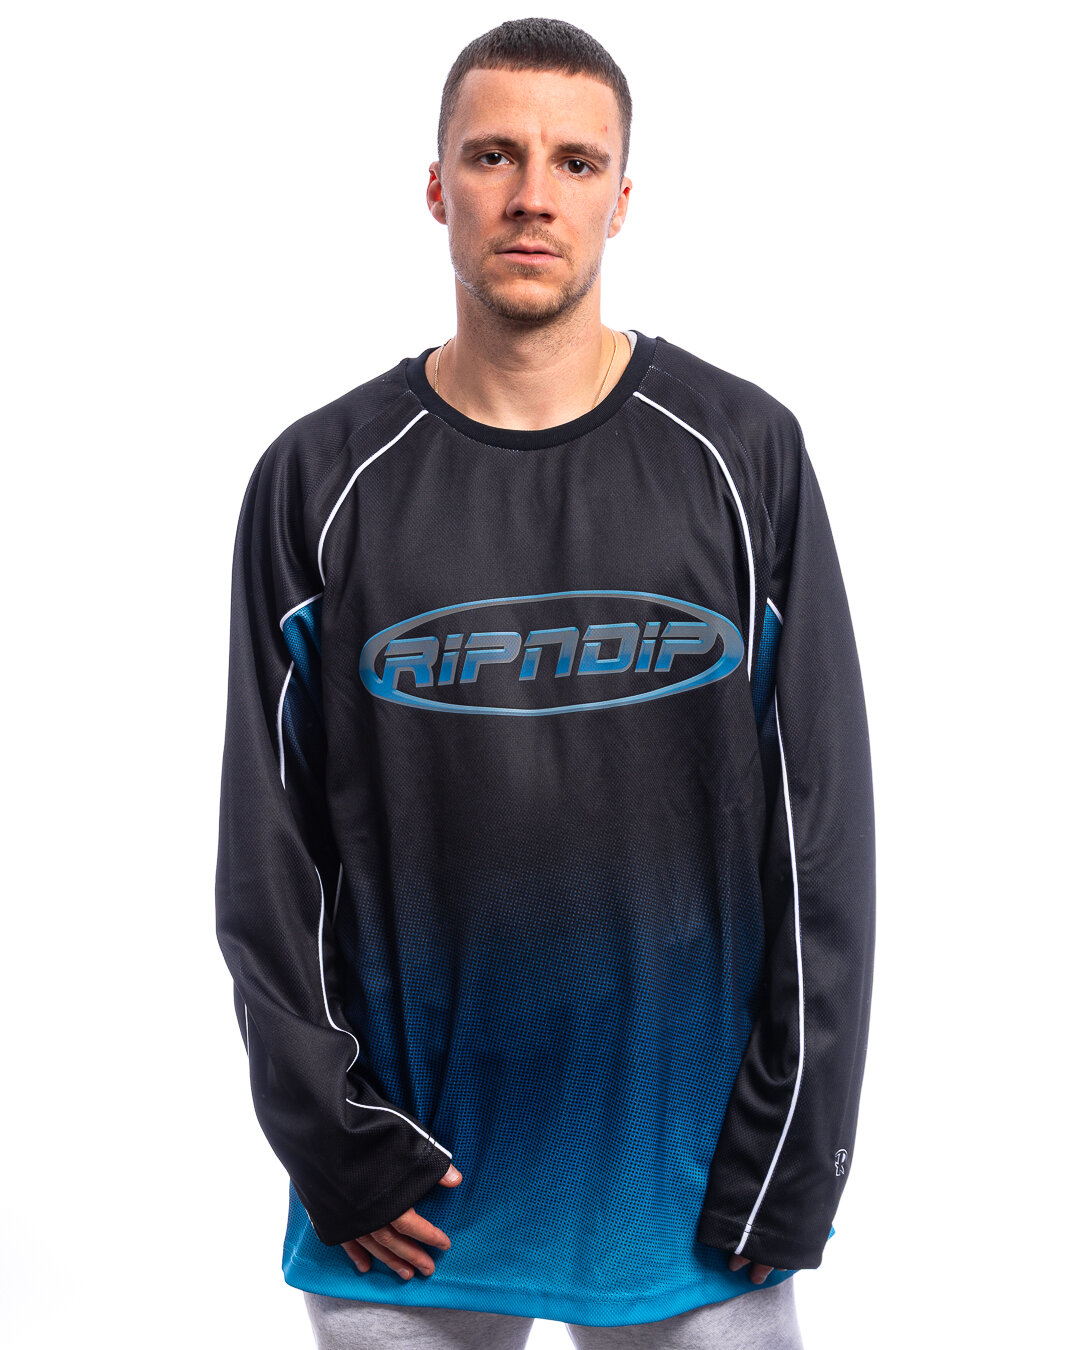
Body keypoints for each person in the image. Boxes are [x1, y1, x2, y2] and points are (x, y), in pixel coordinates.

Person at [214, 16, 876, 1349]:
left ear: (622, 198)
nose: (532, 195)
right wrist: (337, 1144)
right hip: (409, 1199)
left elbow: (821, 838)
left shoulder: (740, 454)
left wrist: (792, 1160)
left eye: (575, 162)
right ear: (435, 185)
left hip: (690, 1196)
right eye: (493, 156)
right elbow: (267, 855)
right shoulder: (320, 480)